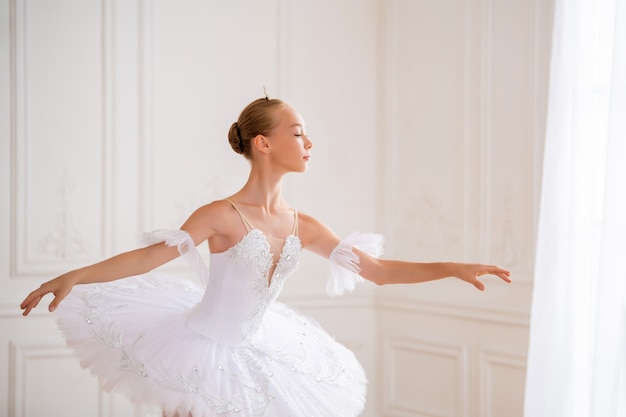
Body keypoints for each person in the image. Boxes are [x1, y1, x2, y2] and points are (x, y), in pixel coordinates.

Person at [20, 96, 511, 417]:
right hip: (200, 354)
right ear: (264, 143)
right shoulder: (222, 214)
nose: (309, 143)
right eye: (298, 132)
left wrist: (454, 267)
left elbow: (379, 272)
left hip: (259, 352)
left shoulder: (305, 225)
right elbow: (149, 258)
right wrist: (73, 276)